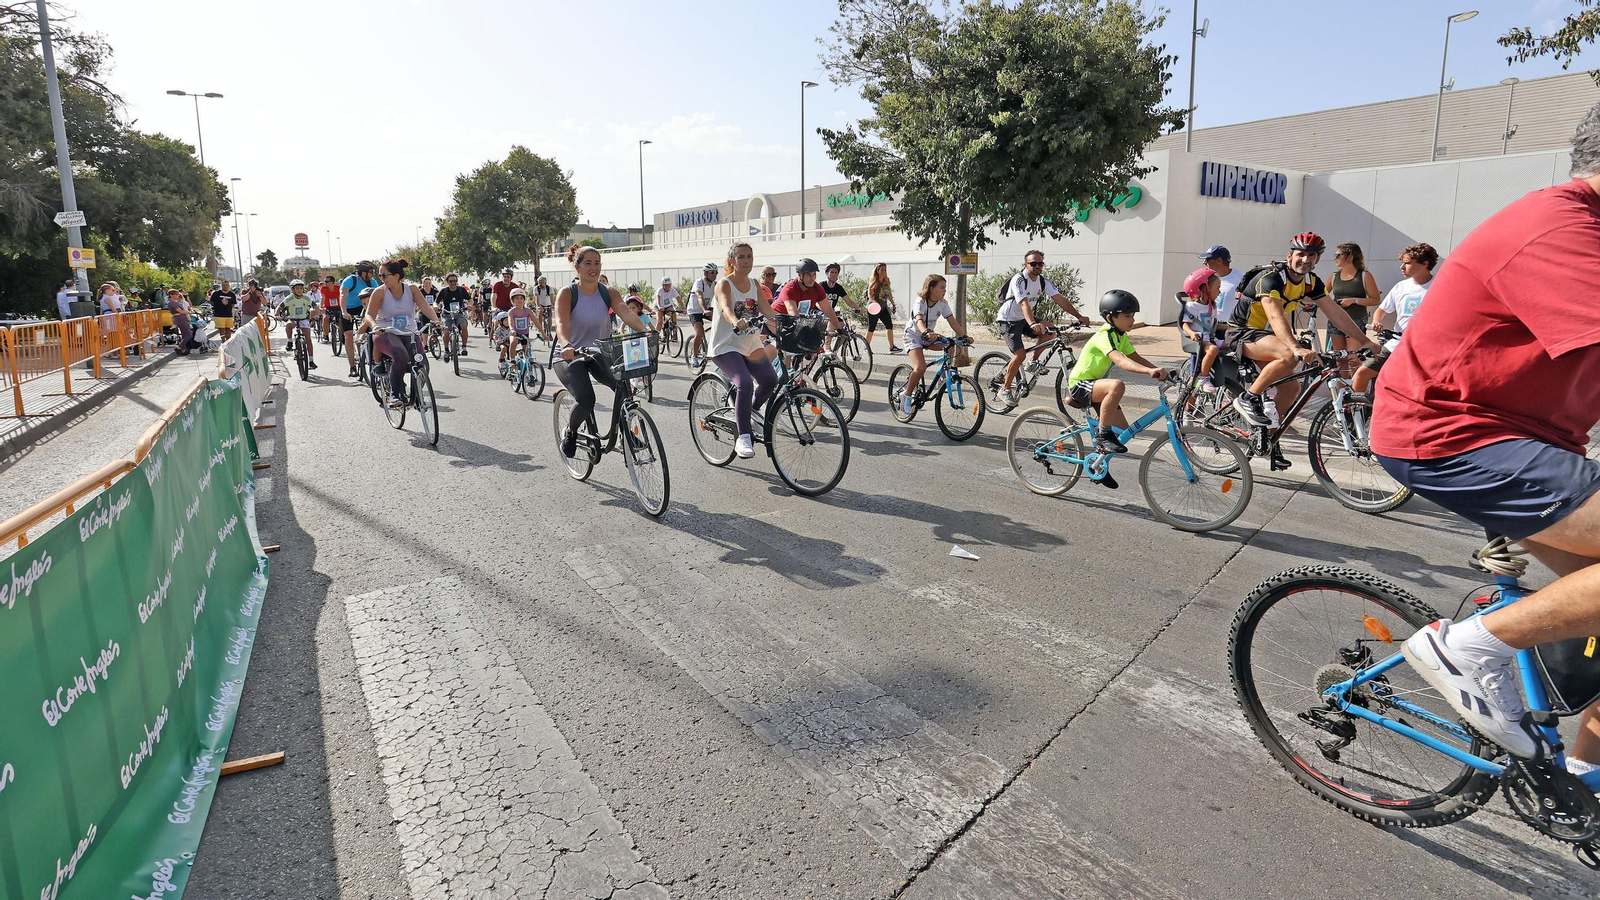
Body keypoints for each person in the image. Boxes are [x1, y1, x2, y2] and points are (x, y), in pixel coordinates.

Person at [1373, 106, 1600, 775]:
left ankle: (1584, 786)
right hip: (1448, 432)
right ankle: (1466, 647)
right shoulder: (1560, 227)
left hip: (1531, 441)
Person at [1225, 232, 1378, 470]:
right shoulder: (1271, 279)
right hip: (1243, 333)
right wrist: (1295, 347)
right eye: (1301, 254)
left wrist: (1364, 340)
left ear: (1317, 259)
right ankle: (1249, 397)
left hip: (1269, 338)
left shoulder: (1311, 282)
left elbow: (1336, 314)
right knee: (1287, 356)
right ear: (1290, 255)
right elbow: (1275, 315)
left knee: (1292, 388)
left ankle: (1268, 439)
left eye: (1312, 255)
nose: (1306, 259)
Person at [553, 245, 651, 459]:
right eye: (588, 263)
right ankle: (570, 432)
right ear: (577, 267)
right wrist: (567, 345)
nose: (593, 268)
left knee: (624, 389)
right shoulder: (568, 293)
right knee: (586, 399)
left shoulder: (608, 292)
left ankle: (626, 434)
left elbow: (626, 314)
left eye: (597, 263)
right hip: (569, 354)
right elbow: (560, 324)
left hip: (598, 351)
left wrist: (648, 331)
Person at [1064, 290, 1170, 459]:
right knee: (1117, 385)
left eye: (1133, 315)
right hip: (1080, 384)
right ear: (1109, 317)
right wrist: (1149, 372)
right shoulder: (1104, 335)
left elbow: (1136, 358)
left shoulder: (1121, 336)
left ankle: (1098, 466)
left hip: (1098, 385)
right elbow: (1121, 361)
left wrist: (1164, 373)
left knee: (1123, 432)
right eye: (1127, 316)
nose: (1132, 320)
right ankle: (1102, 434)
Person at [993, 249, 1093, 412]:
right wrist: (1032, 323)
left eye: (1040, 263)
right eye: (1033, 263)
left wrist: (1079, 316)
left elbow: (1060, 299)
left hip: (1025, 319)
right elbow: (1024, 303)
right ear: (1026, 265)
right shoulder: (1019, 280)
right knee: (1019, 354)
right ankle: (1005, 389)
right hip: (1008, 320)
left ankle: (1033, 362)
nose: (1037, 266)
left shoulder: (1043, 281)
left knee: (1051, 330)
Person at [709, 242, 780, 459]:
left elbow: (768, 312)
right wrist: (735, 320)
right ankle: (743, 437)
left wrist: (786, 326)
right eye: (741, 257)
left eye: (749, 256)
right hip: (726, 345)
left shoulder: (754, 284)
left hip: (750, 344)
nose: (746, 261)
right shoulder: (724, 284)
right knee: (745, 383)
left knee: (770, 380)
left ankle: (749, 411)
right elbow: (726, 308)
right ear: (732, 261)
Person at [1352, 243, 1436, 395]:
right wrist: (1377, 321)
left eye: (1408, 263)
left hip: (1424, 350)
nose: (1402, 267)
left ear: (1425, 264)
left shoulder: (1439, 286)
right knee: (1361, 374)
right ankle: (1356, 416)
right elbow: (1381, 310)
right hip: (1395, 344)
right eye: (1402, 263)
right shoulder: (1401, 287)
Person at [360, 259, 444, 407]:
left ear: (397, 276)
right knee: (400, 355)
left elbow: (425, 307)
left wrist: (436, 321)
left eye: (384, 276)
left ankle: (416, 393)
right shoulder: (379, 292)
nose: (381, 279)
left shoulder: (411, 289)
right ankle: (394, 394)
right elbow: (369, 315)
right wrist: (374, 326)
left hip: (409, 332)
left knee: (423, 364)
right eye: (380, 276)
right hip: (386, 332)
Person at [896, 274, 971, 416]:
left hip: (929, 337)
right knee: (921, 367)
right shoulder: (921, 301)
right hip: (913, 336)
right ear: (931, 288)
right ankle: (906, 396)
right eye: (942, 287)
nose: (944, 290)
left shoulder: (942, 303)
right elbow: (919, 320)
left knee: (950, 344)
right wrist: (925, 332)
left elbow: (952, 320)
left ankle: (943, 379)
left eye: (945, 287)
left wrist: (964, 336)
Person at [1325, 243, 1382, 376]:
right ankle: (1341, 391)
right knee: (1339, 358)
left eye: (1338, 255)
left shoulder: (1364, 275)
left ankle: (1355, 391)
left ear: (1349, 257)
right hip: (1336, 320)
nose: (1335, 258)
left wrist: (1353, 301)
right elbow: (1321, 295)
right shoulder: (1334, 276)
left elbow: (1375, 299)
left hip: (1356, 320)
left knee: (1353, 358)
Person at [1179, 267, 1224, 392]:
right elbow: (1185, 325)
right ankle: (1203, 377)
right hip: (1200, 340)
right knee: (1213, 349)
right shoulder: (1192, 306)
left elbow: (1214, 326)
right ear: (1206, 289)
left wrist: (1232, 327)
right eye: (1217, 288)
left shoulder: (1212, 306)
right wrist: (1192, 333)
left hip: (1210, 338)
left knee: (1233, 343)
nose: (1219, 292)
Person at [341, 261, 380, 376]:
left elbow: (379, 295)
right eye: (371, 272)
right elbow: (343, 296)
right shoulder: (350, 280)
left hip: (363, 307)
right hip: (348, 309)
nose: (373, 274)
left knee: (370, 328)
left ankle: (371, 353)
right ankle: (352, 366)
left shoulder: (372, 282)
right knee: (348, 335)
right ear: (363, 273)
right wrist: (344, 312)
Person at [863, 263, 903, 354]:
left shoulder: (886, 281)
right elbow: (870, 295)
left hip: (883, 307)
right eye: (882, 270)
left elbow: (889, 293)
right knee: (871, 328)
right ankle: (866, 347)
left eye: (885, 270)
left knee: (889, 325)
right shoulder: (873, 282)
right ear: (877, 271)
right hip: (874, 307)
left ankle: (892, 347)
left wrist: (893, 303)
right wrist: (874, 302)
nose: (884, 272)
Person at [1198, 246, 1243, 323]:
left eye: (1207, 259)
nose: (1204, 263)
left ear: (1219, 261)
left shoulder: (1242, 277)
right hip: (1208, 327)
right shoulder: (1205, 278)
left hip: (1230, 329)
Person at [281, 280, 318, 369]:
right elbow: (280, 307)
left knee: (308, 339)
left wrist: (317, 314)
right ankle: (290, 341)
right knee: (288, 325)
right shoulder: (289, 298)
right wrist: (277, 314)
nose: (300, 290)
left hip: (303, 319)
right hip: (293, 318)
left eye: (301, 288)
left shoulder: (306, 297)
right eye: (297, 288)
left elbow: (315, 306)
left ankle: (311, 360)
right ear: (293, 290)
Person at [686, 263, 717, 368]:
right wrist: (704, 309)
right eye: (712, 272)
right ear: (705, 273)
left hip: (706, 309)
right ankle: (694, 356)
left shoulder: (715, 284)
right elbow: (699, 296)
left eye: (716, 272)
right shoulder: (699, 283)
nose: (714, 275)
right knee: (699, 332)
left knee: (722, 323)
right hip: (694, 311)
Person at [436, 273, 472, 352]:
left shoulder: (461, 290)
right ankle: (446, 349)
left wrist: (470, 305)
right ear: (447, 282)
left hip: (459, 313)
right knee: (446, 331)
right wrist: (436, 306)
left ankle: (464, 347)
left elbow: (470, 299)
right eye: (451, 281)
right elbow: (437, 302)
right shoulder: (444, 291)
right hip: (447, 314)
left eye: (455, 281)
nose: (453, 283)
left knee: (463, 326)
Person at [166, 288, 202, 355]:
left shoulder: (175, 302)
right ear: (171, 295)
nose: (178, 296)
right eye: (176, 294)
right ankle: (180, 347)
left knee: (184, 334)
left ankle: (183, 349)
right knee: (189, 334)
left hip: (181, 318)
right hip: (180, 318)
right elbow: (180, 311)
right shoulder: (171, 303)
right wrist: (188, 312)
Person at [505, 287, 534, 364]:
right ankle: (512, 360)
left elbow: (536, 322)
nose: (519, 300)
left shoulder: (528, 310)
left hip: (525, 334)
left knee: (527, 354)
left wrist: (543, 333)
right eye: (517, 298)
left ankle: (530, 373)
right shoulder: (511, 311)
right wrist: (512, 329)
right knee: (514, 341)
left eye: (521, 298)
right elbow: (510, 322)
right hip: (515, 333)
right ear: (512, 301)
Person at [533, 275, 556, 341]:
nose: (540, 284)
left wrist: (552, 305)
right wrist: (538, 306)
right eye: (539, 282)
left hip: (548, 304)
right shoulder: (536, 288)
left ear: (545, 282)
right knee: (540, 312)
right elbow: (536, 298)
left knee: (549, 318)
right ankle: (540, 330)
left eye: (542, 282)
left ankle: (549, 332)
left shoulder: (550, 288)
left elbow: (552, 298)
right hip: (540, 304)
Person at [318, 275, 340, 340]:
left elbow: (342, 297)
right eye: (324, 281)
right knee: (325, 318)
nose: (325, 283)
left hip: (338, 307)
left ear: (332, 282)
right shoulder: (323, 288)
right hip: (328, 307)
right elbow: (323, 298)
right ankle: (326, 335)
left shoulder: (339, 288)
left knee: (341, 320)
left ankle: (342, 335)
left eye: (327, 281)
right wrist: (321, 307)